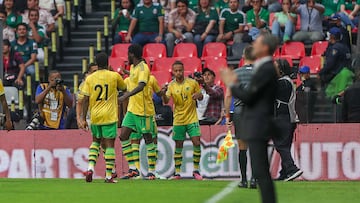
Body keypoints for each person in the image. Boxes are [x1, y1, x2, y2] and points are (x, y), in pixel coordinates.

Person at [221, 32, 279, 203]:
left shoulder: (266, 69)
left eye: (258, 42)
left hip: (257, 122)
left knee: (261, 170)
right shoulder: (265, 68)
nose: (254, 44)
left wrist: (231, 83)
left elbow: (248, 97)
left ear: (265, 48)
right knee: (261, 171)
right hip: (256, 120)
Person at [78, 53, 126, 183]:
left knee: (95, 142)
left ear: (97, 64)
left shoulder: (90, 79)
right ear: (108, 63)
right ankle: (109, 176)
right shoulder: (114, 76)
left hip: (95, 116)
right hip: (109, 115)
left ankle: (90, 168)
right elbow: (124, 87)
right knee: (109, 145)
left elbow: (85, 99)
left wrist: (82, 118)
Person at [118, 44, 158, 180]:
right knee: (123, 136)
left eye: (128, 54)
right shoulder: (133, 67)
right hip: (132, 110)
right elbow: (135, 78)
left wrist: (125, 96)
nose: (127, 57)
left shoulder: (143, 67)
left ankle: (152, 171)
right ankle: (133, 169)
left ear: (132, 54)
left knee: (148, 139)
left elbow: (141, 86)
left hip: (143, 111)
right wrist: (127, 74)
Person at [162, 60, 204, 180]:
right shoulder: (171, 85)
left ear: (183, 70)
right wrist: (163, 94)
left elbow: (201, 96)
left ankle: (196, 170)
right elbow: (166, 101)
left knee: (196, 142)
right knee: (179, 145)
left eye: (180, 70)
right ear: (173, 72)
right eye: (176, 71)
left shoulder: (192, 83)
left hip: (192, 118)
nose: (179, 73)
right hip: (178, 120)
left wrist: (198, 96)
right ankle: (177, 172)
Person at [224, 45, 257, 188]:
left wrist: (227, 116)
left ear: (243, 57)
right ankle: (255, 180)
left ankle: (243, 180)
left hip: (240, 111)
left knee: (242, 147)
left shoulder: (235, 73)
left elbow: (228, 95)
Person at [273, 59, 303, 181]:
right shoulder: (286, 82)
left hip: (283, 117)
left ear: (281, 69)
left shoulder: (283, 83)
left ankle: (292, 169)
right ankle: (284, 172)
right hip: (288, 118)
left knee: (280, 145)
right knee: (284, 145)